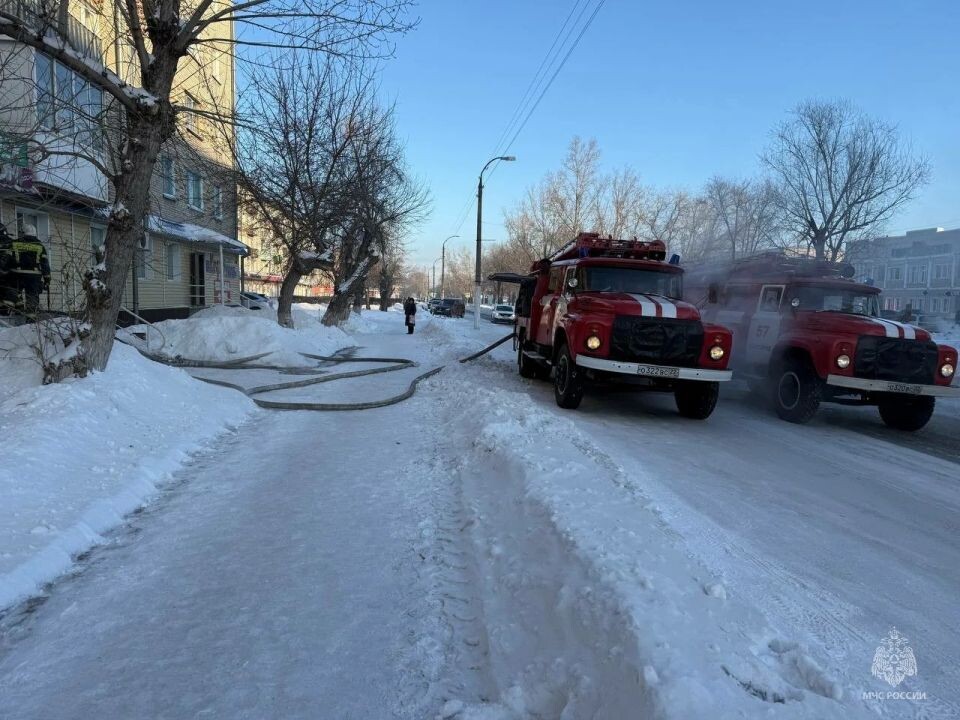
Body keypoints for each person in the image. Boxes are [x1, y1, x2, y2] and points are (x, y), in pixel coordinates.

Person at [11, 224, 51, 316]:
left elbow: (8, 258)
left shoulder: (14, 244)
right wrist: (47, 279)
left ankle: (19, 314)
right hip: (34, 277)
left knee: (16, 295)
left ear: (23, 233)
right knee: (32, 298)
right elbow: (45, 264)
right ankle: (31, 319)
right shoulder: (40, 246)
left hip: (17, 275)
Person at [0, 225, 16, 312]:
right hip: (8, 271)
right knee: (10, 290)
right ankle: (6, 310)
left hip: (5, 271)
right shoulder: (11, 242)